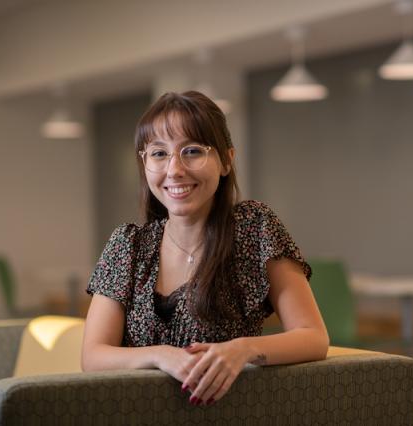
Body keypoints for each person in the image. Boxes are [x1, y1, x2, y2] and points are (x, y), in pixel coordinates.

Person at [81, 91, 329, 406]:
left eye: (193, 151)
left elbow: (313, 337)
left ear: (226, 160)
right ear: (144, 163)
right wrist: (161, 356)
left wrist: (243, 349)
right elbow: (93, 356)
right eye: (159, 153)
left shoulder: (254, 228)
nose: (174, 170)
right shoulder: (127, 245)